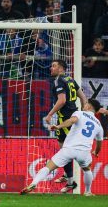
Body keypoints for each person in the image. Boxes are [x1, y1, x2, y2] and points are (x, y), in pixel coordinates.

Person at [21, 99, 103, 196]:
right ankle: (88, 192)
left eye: (85, 104)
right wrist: (96, 152)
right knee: (87, 169)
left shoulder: (80, 113)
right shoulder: (99, 125)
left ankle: (33, 183)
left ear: (89, 106)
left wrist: (59, 126)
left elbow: (72, 120)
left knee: (49, 167)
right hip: (84, 152)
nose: (84, 105)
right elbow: (99, 143)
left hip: (69, 149)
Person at [44, 59, 87, 193]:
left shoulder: (58, 81)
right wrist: (82, 112)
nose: (51, 68)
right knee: (65, 148)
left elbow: (61, 101)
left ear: (61, 68)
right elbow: (83, 98)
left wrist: (50, 114)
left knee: (66, 149)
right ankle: (69, 180)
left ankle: (70, 180)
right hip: (72, 116)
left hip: (65, 119)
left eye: (54, 66)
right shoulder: (71, 80)